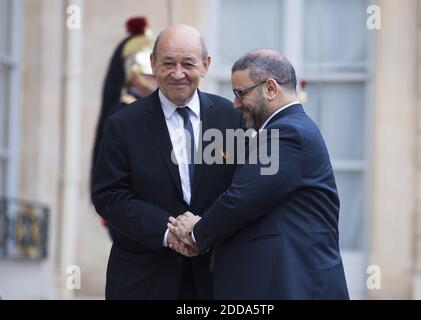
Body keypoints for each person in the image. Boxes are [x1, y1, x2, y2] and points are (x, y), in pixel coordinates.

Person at [168, 49, 350, 300]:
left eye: (240, 93)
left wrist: (196, 232)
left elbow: (241, 200)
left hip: (296, 285)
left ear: (271, 88)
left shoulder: (288, 134)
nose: (235, 103)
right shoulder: (286, 130)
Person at [91, 24, 242, 299]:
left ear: (206, 65)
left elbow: (243, 190)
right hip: (143, 281)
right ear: (153, 63)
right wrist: (169, 233)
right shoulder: (123, 124)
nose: (178, 74)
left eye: (188, 64)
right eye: (168, 63)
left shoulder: (232, 119)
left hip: (215, 279)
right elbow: (108, 196)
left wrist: (203, 232)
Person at [91, 17, 158, 240]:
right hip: (132, 208)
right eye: (151, 75)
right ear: (135, 74)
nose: (157, 80)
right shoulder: (122, 111)